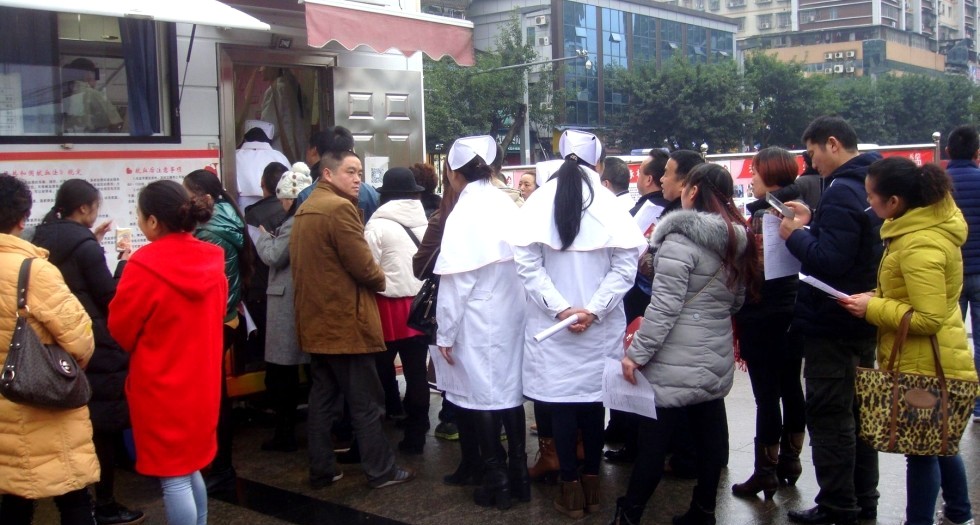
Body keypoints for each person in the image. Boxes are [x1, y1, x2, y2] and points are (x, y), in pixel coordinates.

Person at [611, 163, 758, 525]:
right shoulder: (738, 241)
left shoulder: (679, 241)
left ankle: (630, 513)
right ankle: (704, 511)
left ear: (693, 192)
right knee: (708, 442)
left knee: (653, 443)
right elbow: (736, 302)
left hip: (672, 361)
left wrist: (635, 355)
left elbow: (664, 308)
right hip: (715, 355)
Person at [514, 130, 645, 518]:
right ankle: (592, 485)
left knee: (561, 405)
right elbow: (626, 267)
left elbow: (527, 266)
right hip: (598, 326)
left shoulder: (538, 201)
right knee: (592, 403)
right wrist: (593, 309)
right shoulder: (608, 203)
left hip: (552, 328)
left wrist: (560, 309)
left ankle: (569, 489)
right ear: (598, 164)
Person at [839, 157, 975, 525]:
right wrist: (877, 297)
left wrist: (872, 307)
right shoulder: (920, 229)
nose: (869, 203)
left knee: (922, 451)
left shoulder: (918, 243)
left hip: (926, 359)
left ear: (894, 202)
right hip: (937, 354)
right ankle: (959, 512)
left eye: (872, 196)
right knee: (940, 441)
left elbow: (928, 317)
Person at [290, 126, 415, 490]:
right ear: (328, 173)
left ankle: (322, 468)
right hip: (345, 324)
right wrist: (382, 276)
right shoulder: (339, 209)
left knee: (323, 400)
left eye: (359, 172)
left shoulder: (306, 207)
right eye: (350, 171)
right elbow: (366, 269)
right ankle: (381, 470)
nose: (358, 178)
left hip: (316, 323)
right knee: (366, 402)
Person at [779, 115, 883, 525]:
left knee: (830, 415)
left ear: (833, 144)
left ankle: (837, 505)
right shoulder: (869, 184)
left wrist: (795, 235)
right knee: (858, 415)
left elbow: (831, 260)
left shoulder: (841, 190)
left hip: (833, 321)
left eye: (813, 153)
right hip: (862, 318)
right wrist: (812, 221)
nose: (812, 162)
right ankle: (864, 499)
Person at [108, 180, 225, 525]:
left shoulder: (143, 265)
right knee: (191, 467)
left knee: (173, 476)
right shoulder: (211, 257)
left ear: (153, 221)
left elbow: (121, 329)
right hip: (202, 382)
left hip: (160, 385)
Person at [31, 179, 146, 525]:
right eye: (95, 206)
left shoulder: (41, 237)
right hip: (93, 342)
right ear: (84, 208)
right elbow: (109, 297)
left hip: (53, 343)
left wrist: (91, 241)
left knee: (69, 426)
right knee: (104, 429)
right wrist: (124, 264)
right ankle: (105, 503)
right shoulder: (84, 246)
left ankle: (78, 500)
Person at [0, 174, 99, 525]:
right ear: (22, 218)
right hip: (43, 401)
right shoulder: (34, 271)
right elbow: (81, 339)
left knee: (13, 496)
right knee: (72, 493)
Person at [435, 135, 527, 509]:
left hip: (478, 317)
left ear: (454, 174)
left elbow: (456, 283)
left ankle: (497, 481)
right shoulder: (506, 204)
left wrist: (445, 332)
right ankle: (519, 476)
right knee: (510, 394)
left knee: (483, 398)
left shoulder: (465, 211)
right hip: (512, 314)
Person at [730, 147, 806, 500]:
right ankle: (790, 460)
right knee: (791, 386)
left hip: (764, 314)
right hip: (793, 308)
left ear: (771, 175)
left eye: (756, 172)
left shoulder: (766, 215)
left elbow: (757, 272)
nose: (752, 179)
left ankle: (765, 471)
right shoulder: (799, 207)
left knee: (766, 396)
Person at [182, 169, 251, 493]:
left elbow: (203, 284)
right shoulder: (227, 217)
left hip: (213, 320)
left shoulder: (208, 230)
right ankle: (218, 462)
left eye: (188, 194)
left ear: (204, 197)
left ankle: (220, 464)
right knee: (215, 393)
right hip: (228, 317)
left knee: (213, 396)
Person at [364, 167, 431, 454]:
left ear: (386, 196)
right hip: (418, 306)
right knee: (416, 373)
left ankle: (378, 432)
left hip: (386, 306)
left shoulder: (377, 226)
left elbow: (367, 268)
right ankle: (417, 433)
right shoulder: (425, 223)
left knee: (378, 372)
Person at [253, 163, 312, 453]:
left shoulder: (293, 221)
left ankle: (285, 434)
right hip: (299, 300)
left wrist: (263, 237)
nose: (281, 204)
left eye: (284, 199)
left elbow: (275, 256)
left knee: (282, 373)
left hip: (286, 302)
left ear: (290, 197)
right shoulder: (308, 216)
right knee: (305, 371)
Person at [244, 162, 289, 449]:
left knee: (276, 363)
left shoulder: (254, 214)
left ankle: (280, 424)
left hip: (266, 292)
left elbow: (262, 255)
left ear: (264, 185)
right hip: (288, 296)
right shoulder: (300, 213)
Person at [945, 124, 980, 423]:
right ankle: (979, 407)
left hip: (949, 275)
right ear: (977, 153)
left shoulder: (938, 186)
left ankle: (952, 405)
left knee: (948, 343)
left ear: (947, 151)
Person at [236, 120, 290, 209]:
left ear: (245, 139)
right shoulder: (279, 156)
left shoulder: (235, 155)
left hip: (242, 205)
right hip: (275, 205)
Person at [62, 58, 123, 133]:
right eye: (95, 73)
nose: (96, 79)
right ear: (88, 74)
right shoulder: (93, 94)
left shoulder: (61, 94)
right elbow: (115, 123)